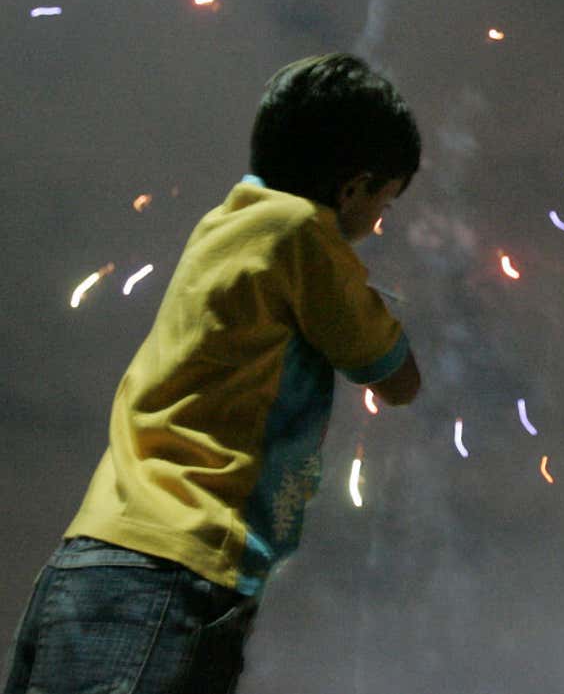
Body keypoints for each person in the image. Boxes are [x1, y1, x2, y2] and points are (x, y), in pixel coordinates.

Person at [3, 52, 422, 694]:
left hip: (90, 558)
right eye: (384, 203)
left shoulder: (223, 226)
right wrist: (368, 296)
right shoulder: (305, 236)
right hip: (179, 565)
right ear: (353, 187)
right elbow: (396, 377)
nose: (378, 224)